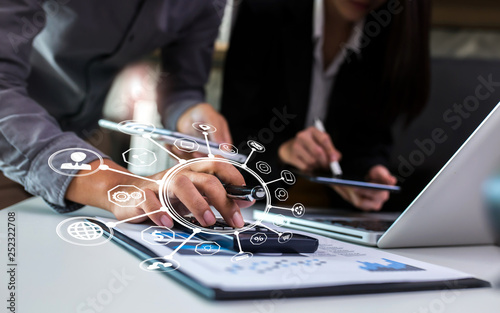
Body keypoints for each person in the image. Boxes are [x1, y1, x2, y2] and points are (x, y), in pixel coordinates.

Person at [0, 0, 248, 228]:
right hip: (13, 147)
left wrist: (189, 113)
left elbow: (183, 84)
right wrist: (117, 185)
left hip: (88, 145)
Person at [221, 0, 430, 211]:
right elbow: (230, 137)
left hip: (332, 213)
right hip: (254, 204)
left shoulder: (391, 32)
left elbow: (370, 139)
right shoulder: (263, 11)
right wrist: (283, 151)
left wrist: (368, 172)